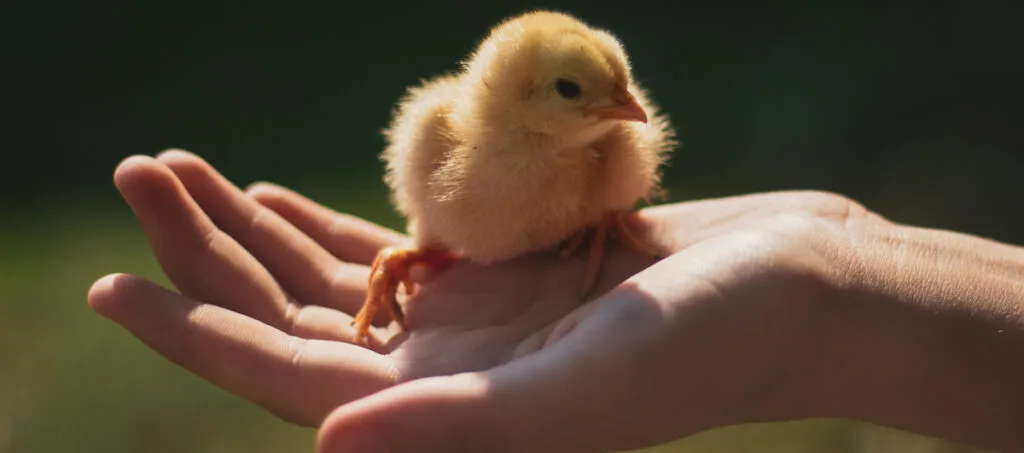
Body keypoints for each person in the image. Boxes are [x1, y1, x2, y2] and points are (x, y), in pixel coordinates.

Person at [87, 150, 1024, 453]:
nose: (629, 113)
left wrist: (840, 279)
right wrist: (844, 276)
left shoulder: (592, 149)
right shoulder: (490, 145)